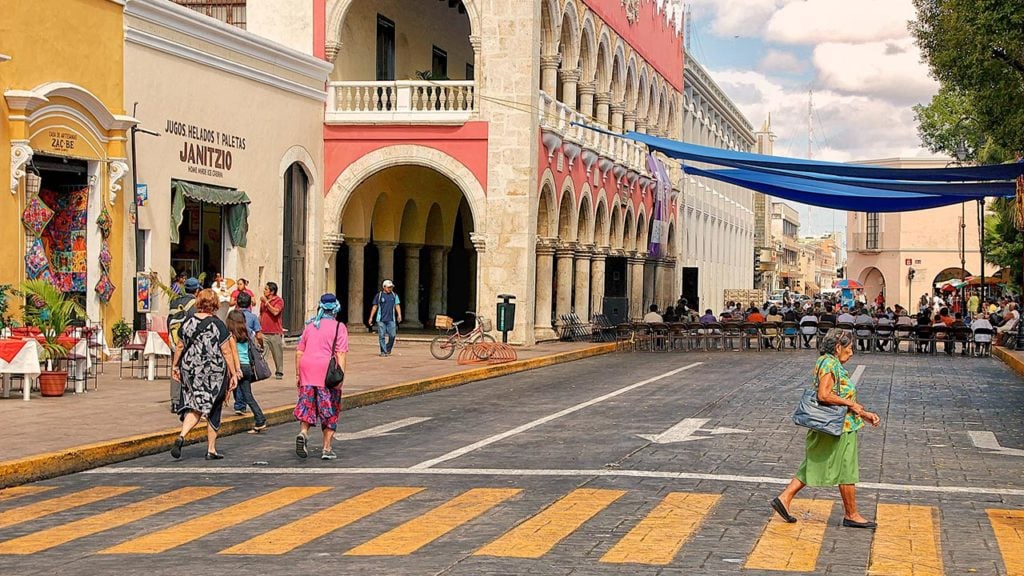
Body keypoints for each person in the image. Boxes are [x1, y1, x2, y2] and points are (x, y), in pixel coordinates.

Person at [771, 329, 881, 528]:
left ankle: (785, 498)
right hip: (837, 426)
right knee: (846, 468)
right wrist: (852, 405)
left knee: (815, 461)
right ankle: (851, 514)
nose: (852, 352)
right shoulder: (829, 363)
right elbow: (824, 395)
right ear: (838, 347)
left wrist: (863, 413)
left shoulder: (827, 362)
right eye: (849, 347)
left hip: (834, 423)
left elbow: (836, 394)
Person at [170, 289, 238, 460]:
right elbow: (226, 351)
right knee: (214, 407)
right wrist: (234, 373)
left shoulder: (187, 322)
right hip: (213, 372)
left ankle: (182, 436)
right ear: (214, 305)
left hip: (191, 370)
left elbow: (179, 346)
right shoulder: (218, 324)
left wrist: (175, 366)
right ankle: (211, 449)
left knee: (196, 406)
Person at [295, 294, 348, 461]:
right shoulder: (339, 327)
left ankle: (303, 433)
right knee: (329, 409)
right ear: (336, 308)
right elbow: (340, 354)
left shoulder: (310, 326)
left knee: (307, 405)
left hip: (307, 368)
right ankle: (326, 447)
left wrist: (298, 374)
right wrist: (340, 378)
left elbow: (299, 352)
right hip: (326, 372)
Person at [225, 310, 267, 434]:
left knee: (223, 391)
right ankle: (260, 420)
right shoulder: (246, 333)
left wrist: (234, 370)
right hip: (247, 366)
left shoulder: (231, 335)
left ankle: (207, 412)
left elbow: (232, 353)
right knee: (248, 396)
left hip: (238, 367)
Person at [232, 292, 263, 415]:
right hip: (247, 353)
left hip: (235, 353)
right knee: (245, 380)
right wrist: (260, 345)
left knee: (236, 379)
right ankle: (242, 404)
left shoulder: (232, 317)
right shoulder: (253, 317)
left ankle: (239, 403)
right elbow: (259, 335)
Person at [368, 279, 402, 357]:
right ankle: (383, 351)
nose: (390, 289)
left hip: (391, 319)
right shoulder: (379, 295)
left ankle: (388, 348)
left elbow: (397, 305)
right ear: (384, 287)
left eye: (391, 287)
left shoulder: (394, 295)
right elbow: (375, 307)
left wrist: (399, 315)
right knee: (382, 336)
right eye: (389, 287)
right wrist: (371, 317)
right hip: (381, 320)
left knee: (392, 335)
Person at [260, 281, 285, 379]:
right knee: (263, 353)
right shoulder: (263, 302)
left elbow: (275, 312)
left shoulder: (279, 301)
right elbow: (261, 314)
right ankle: (262, 371)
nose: (264, 291)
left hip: (274, 332)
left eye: (266, 289)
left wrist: (267, 303)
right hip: (264, 331)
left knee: (277, 354)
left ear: (272, 291)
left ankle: (279, 371)